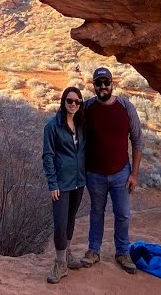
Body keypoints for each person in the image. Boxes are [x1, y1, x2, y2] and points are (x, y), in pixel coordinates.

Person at [81, 66, 143, 274]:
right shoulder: (87, 108)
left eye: (106, 82)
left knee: (123, 214)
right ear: (94, 86)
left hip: (121, 173)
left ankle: (122, 252)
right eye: (98, 83)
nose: (103, 86)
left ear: (112, 83)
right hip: (94, 173)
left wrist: (134, 174)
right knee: (96, 212)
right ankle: (93, 250)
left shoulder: (126, 108)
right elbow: (73, 132)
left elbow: (137, 141)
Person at [42, 86, 90, 283]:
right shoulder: (52, 126)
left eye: (77, 102)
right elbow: (48, 156)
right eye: (69, 101)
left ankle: (67, 255)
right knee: (60, 223)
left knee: (71, 219)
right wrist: (52, 183)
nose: (73, 104)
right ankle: (60, 262)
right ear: (63, 102)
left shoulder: (81, 125)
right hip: (61, 183)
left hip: (79, 181)